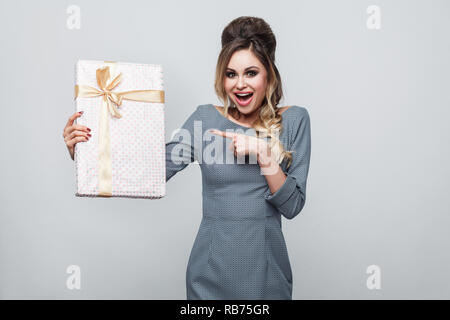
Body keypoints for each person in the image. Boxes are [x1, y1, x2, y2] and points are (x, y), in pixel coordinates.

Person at [62, 16, 311, 300]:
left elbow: (292, 206)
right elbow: (151, 172)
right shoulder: (204, 120)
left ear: (269, 74)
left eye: (251, 73)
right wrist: (85, 151)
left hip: (267, 277)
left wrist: (264, 154)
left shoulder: (294, 120)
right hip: (209, 276)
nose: (239, 84)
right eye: (231, 74)